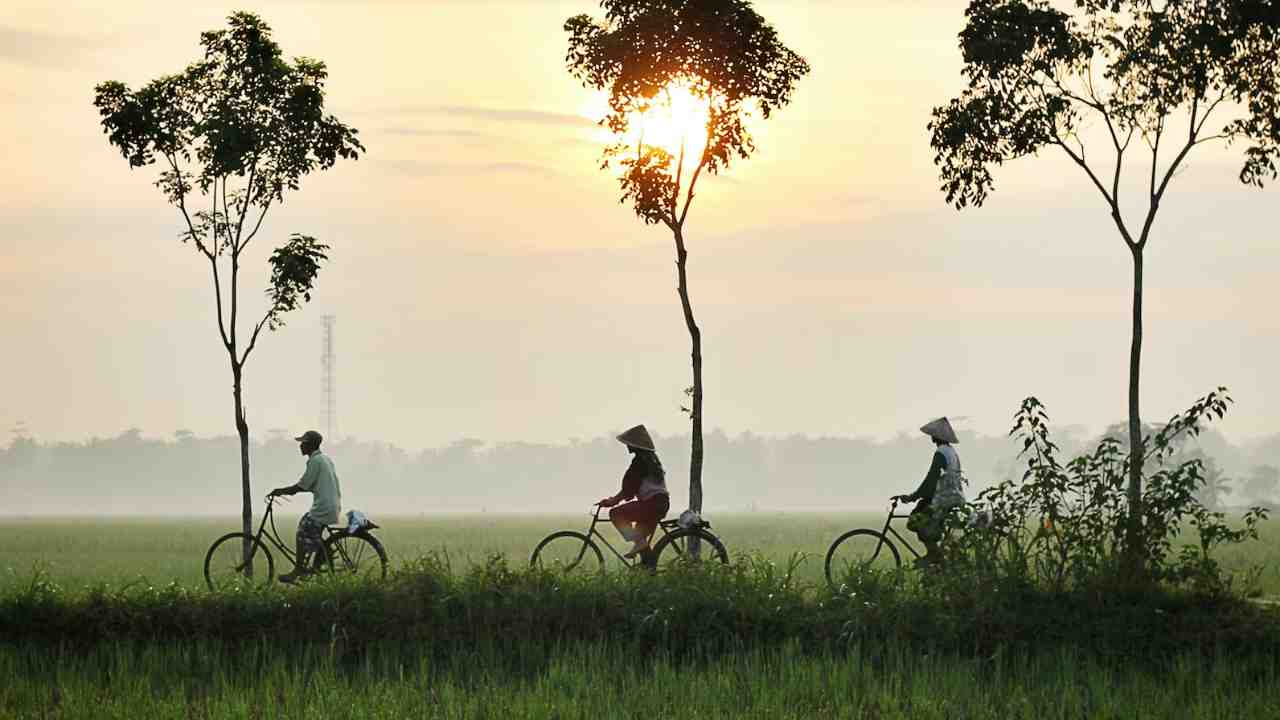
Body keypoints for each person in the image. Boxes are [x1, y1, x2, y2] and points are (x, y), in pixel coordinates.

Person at [269, 430, 342, 583]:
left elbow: (302, 486)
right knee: (313, 535)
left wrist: (280, 491)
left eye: (303, 443)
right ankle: (323, 555)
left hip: (323, 507)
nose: (301, 446)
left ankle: (299, 569)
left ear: (310, 445)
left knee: (303, 529)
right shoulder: (324, 459)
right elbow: (308, 485)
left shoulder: (315, 461)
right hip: (331, 505)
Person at [893, 417, 966, 567]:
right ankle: (939, 561)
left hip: (944, 498)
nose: (931, 437)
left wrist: (912, 497)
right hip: (954, 496)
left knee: (916, 520)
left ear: (937, 436)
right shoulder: (951, 452)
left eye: (933, 434)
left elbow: (931, 480)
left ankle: (933, 554)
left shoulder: (940, 453)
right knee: (925, 514)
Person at [599, 424, 670, 558]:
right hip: (659, 504)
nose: (627, 446)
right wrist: (614, 499)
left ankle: (640, 544)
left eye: (629, 443)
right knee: (640, 539)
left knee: (616, 513)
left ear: (635, 445)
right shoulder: (651, 460)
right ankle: (649, 568)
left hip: (652, 504)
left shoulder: (640, 462)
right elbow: (630, 488)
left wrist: (612, 501)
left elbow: (629, 488)